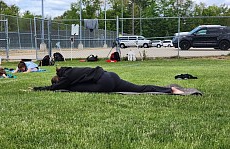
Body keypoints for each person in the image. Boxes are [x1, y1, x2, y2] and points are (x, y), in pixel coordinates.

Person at [33, 66, 184, 94]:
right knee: (139, 88)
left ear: (59, 78)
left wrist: (36, 88)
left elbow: (55, 88)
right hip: (111, 75)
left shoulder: (66, 78)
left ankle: (170, 90)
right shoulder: (73, 70)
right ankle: (169, 89)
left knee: (73, 89)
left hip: (104, 82)